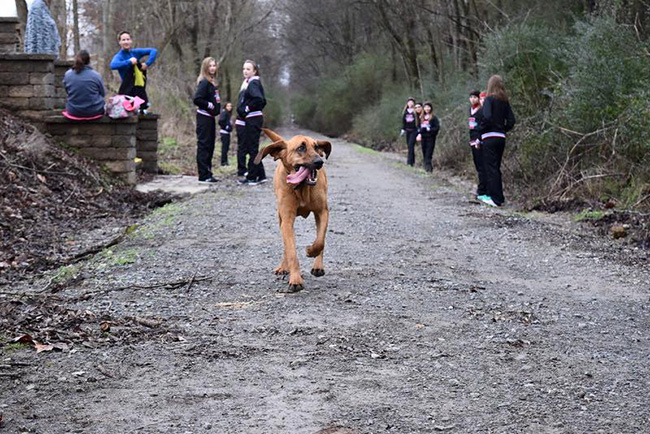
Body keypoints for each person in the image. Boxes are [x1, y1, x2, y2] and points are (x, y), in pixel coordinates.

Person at [478, 75, 516, 207]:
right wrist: (502, 129)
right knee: (496, 167)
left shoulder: (489, 99)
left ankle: (495, 199)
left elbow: (487, 116)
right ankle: (499, 196)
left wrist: (480, 128)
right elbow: (511, 121)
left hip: (489, 137)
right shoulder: (505, 101)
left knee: (491, 167)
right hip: (501, 138)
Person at [237, 59, 267, 185]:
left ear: (254, 71)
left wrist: (247, 108)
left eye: (248, 69)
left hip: (253, 118)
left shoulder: (253, 83)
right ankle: (261, 175)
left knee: (252, 149)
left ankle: (252, 177)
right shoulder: (249, 83)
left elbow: (260, 100)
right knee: (252, 147)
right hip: (252, 118)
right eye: (244, 68)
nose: (245, 71)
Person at [110, 31, 157, 111]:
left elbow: (153, 51)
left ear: (131, 41)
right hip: (127, 91)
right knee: (129, 113)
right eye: (123, 40)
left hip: (139, 90)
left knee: (142, 112)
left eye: (128, 39)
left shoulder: (136, 52)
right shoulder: (119, 56)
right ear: (119, 42)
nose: (126, 42)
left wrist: (147, 64)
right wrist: (129, 62)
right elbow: (113, 65)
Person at [193, 57, 221, 183]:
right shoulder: (204, 82)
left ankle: (208, 173)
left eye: (214, 65)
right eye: (210, 66)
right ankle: (203, 175)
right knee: (204, 145)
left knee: (210, 146)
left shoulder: (212, 82)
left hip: (210, 119)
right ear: (205, 68)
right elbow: (197, 99)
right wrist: (209, 105)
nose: (213, 68)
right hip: (203, 118)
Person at [62, 50, 106, 119]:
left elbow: (67, 91)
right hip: (95, 111)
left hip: (73, 111)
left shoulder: (68, 74)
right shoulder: (96, 75)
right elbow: (103, 93)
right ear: (89, 61)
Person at [468, 90, 487, 198]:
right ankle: (481, 187)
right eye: (471, 97)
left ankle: (482, 189)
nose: (473, 99)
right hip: (472, 138)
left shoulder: (482, 110)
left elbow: (482, 126)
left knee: (481, 165)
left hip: (479, 140)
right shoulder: (470, 110)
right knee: (477, 164)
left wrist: (479, 140)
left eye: (475, 97)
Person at [416, 102, 440, 172]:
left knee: (429, 153)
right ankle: (426, 167)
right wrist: (419, 134)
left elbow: (437, 127)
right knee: (424, 152)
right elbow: (419, 127)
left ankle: (428, 169)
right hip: (423, 137)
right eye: (426, 107)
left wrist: (430, 129)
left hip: (431, 138)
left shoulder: (433, 118)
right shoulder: (422, 117)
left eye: (428, 107)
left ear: (431, 108)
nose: (427, 108)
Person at [401, 97, 418, 166]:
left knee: (411, 145)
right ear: (407, 103)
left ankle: (409, 162)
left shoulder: (415, 112)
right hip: (408, 131)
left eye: (412, 102)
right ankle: (412, 160)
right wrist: (403, 129)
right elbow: (403, 122)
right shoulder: (405, 112)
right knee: (409, 146)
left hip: (414, 131)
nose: (410, 103)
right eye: (409, 102)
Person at [218, 102, 233, 166]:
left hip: (227, 133)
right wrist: (226, 127)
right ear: (225, 107)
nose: (229, 107)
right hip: (224, 132)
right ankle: (223, 162)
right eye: (228, 106)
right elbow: (220, 121)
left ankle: (225, 161)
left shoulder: (228, 113)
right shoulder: (224, 112)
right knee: (224, 147)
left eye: (230, 106)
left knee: (226, 148)